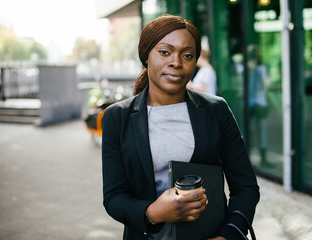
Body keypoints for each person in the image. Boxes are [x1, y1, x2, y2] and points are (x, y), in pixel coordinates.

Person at [102, 15, 259, 240]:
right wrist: (153, 213)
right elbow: (114, 197)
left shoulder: (217, 110)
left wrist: (228, 235)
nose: (176, 62)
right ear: (146, 56)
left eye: (187, 55)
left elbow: (245, 187)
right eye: (165, 52)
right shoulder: (118, 117)